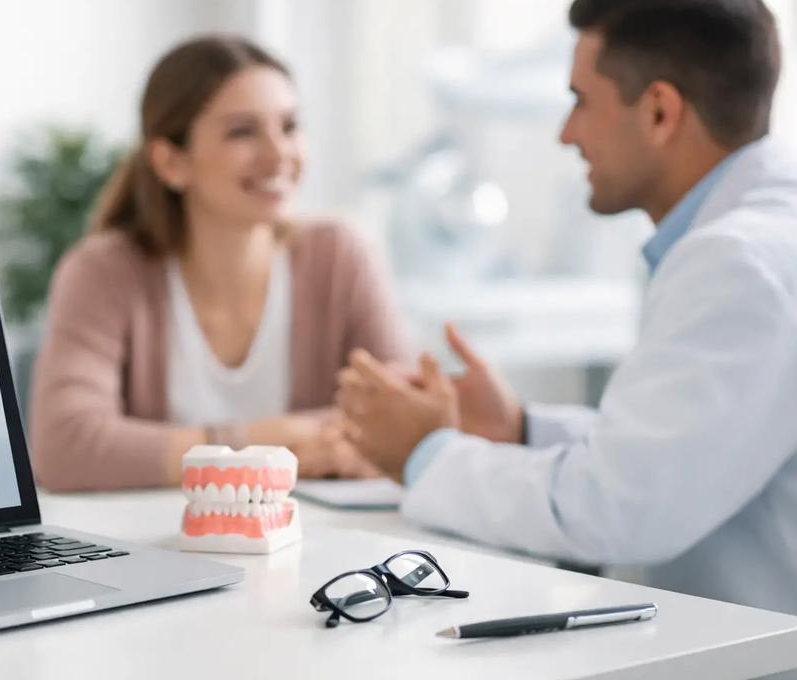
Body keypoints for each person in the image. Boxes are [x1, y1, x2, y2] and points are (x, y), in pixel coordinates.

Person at [338, 0, 797, 614]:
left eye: (581, 100)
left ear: (660, 111)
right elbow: (695, 449)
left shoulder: (735, 262)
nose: (565, 132)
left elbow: (616, 508)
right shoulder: (761, 236)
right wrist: (521, 428)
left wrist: (426, 454)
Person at [31, 35, 412, 491]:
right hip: (162, 548)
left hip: (313, 541)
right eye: (242, 132)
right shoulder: (104, 272)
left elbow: (403, 418)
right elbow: (66, 448)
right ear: (171, 161)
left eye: (289, 127)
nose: (279, 155)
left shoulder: (339, 256)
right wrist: (266, 444)